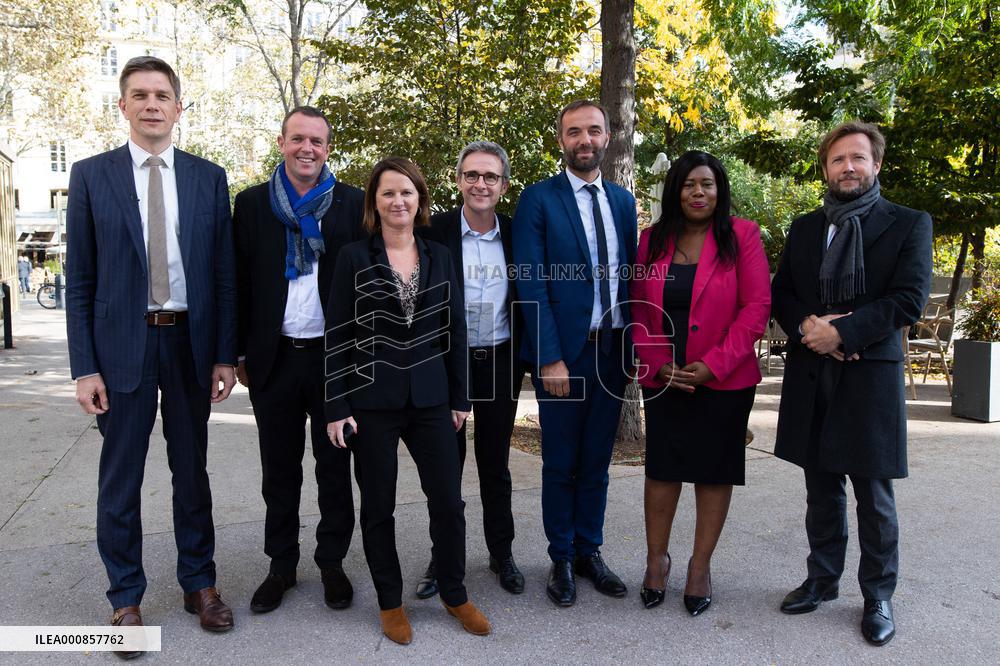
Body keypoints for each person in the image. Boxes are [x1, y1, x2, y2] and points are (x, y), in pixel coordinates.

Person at [65, 56, 238, 656]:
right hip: (121, 350)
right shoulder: (91, 177)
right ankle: (125, 600)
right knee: (122, 478)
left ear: (179, 106)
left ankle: (200, 583)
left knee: (192, 471)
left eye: (162, 94)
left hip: (190, 343)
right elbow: (80, 280)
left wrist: (224, 355)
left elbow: (222, 274)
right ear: (123, 106)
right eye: (139, 94)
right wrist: (84, 365)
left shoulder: (207, 178)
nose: (152, 104)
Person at [772, 121, 932, 646]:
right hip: (813, 373)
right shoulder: (804, 228)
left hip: (869, 378)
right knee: (820, 489)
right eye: (837, 160)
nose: (848, 167)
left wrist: (839, 331)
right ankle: (822, 579)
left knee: (874, 495)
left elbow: (907, 299)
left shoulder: (908, 224)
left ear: (876, 164)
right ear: (826, 169)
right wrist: (809, 330)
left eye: (857, 158)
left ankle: (878, 596)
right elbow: (784, 293)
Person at [324, 157, 489, 645]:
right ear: (374, 203)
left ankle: (455, 593)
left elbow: (455, 329)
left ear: (420, 200)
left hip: (434, 399)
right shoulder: (354, 257)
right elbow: (337, 331)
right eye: (388, 193)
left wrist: (461, 398)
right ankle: (390, 602)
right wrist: (336, 404)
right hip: (371, 400)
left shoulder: (440, 254)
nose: (398, 201)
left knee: (449, 503)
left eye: (407, 193)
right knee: (378, 505)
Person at [233, 106, 365, 615]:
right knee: (280, 472)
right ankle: (281, 565)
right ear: (282, 142)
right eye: (297, 139)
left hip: (335, 362)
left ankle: (331, 562)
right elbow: (238, 282)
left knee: (334, 469)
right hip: (275, 360)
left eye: (317, 141)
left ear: (328, 148)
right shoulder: (250, 205)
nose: (306, 149)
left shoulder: (352, 204)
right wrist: (238, 352)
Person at [630, 151, 770, 615]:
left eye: (707, 184)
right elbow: (639, 310)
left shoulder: (743, 236)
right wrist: (658, 362)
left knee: (714, 472)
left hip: (724, 381)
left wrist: (714, 364)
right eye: (689, 184)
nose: (698, 192)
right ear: (675, 190)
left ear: (719, 190)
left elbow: (755, 309)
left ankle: (698, 567)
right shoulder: (651, 242)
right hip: (666, 379)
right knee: (663, 470)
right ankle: (656, 562)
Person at [512, 100, 638, 607]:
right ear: (561, 140)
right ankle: (560, 557)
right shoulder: (538, 199)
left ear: (608, 137)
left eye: (593, 130)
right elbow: (530, 281)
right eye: (573, 132)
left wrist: (634, 349)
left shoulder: (624, 202)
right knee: (561, 461)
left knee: (596, 461)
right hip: (565, 354)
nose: (584, 140)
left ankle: (590, 550)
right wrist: (549, 357)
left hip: (612, 350)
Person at [414, 141, 526, 599]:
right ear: (459, 180)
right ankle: (444, 559)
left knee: (495, 465)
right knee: (446, 468)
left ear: (502, 184)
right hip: (446, 365)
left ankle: (503, 553)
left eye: (491, 177)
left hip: (500, 360)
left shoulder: (519, 234)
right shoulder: (434, 231)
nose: (481, 184)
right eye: (472, 175)